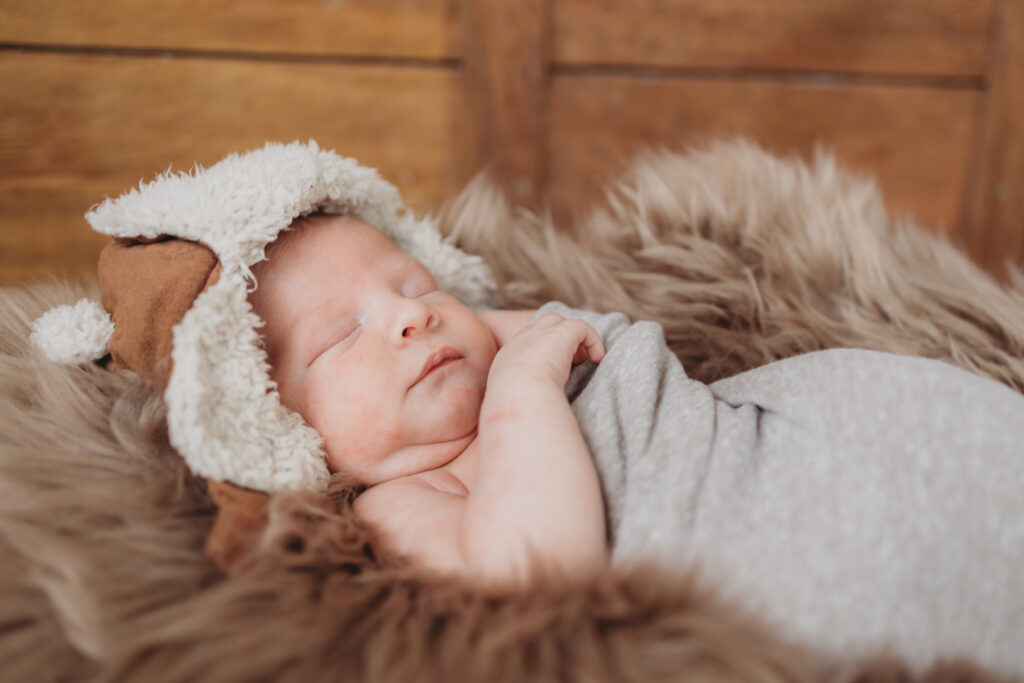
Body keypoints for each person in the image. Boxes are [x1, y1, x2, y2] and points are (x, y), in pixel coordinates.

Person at [248, 211, 1024, 676]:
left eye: (416, 286)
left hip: (867, 444)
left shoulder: (500, 348)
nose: (407, 316)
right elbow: (530, 572)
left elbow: (567, 333)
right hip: (820, 565)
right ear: (282, 424)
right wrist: (523, 388)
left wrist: (509, 354)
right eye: (340, 335)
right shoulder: (402, 498)